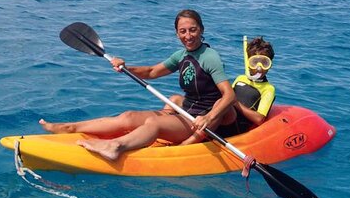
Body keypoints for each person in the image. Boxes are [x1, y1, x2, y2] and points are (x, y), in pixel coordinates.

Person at [39, 9, 237, 161]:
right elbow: (151, 72)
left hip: (201, 119)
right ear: (177, 34)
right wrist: (126, 67)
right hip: (186, 110)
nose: (188, 35)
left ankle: (115, 147)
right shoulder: (182, 56)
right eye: (182, 31)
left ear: (201, 30)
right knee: (129, 116)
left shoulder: (210, 57)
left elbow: (229, 95)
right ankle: (70, 128)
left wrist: (208, 117)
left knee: (155, 123)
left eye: (193, 30)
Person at [225, 36, 276, 136]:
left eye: (265, 63)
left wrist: (235, 103)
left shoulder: (268, 89)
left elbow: (259, 119)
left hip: (236, 126)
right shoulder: (240, 78)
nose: (259, 68)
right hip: (224, 116)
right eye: (254, 62)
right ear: (248, 63)